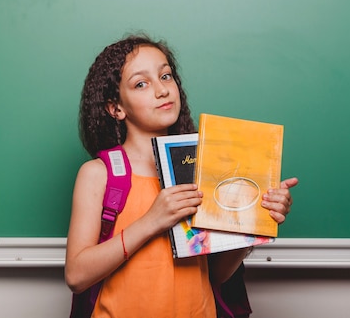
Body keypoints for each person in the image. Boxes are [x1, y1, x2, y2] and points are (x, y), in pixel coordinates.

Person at [65, 33, 298, 318]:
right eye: (141, 84)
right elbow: (76, 276)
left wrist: (257, 219)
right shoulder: (98, 174)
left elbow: (216, 275)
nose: (162, 90)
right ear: (116, 108)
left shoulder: (205, 169)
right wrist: (152, 221)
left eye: (166, 76)